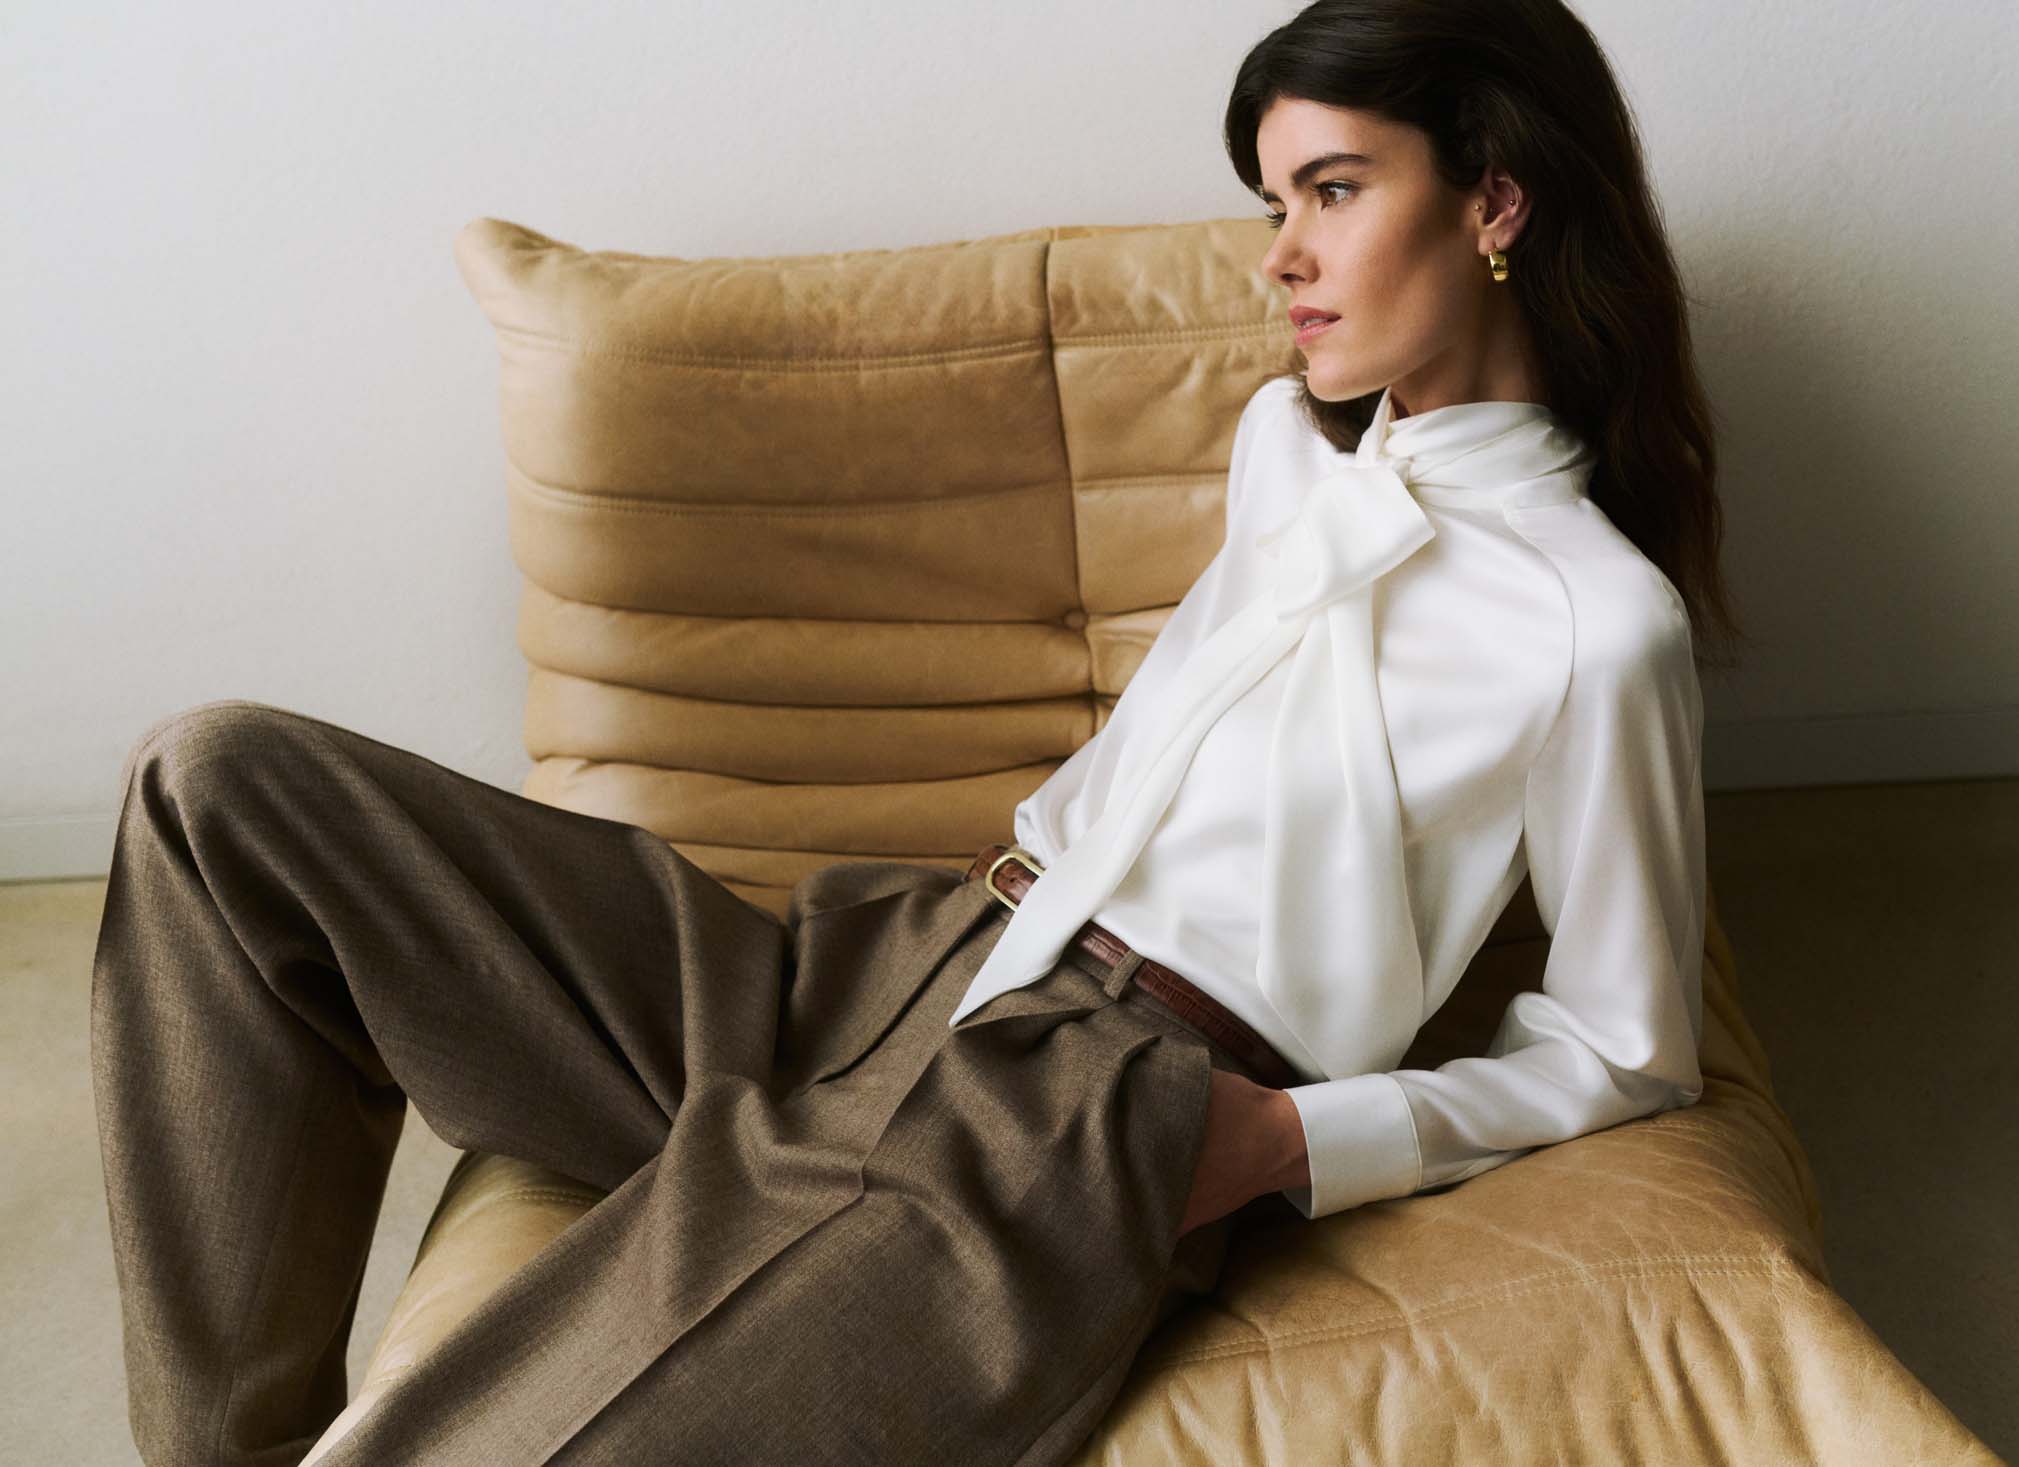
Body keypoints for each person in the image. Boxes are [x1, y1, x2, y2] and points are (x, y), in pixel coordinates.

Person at [90, 1, 1747, 1462]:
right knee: (214, 792)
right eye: (1274, 205)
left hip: (1072, 1118)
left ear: (1496, 202)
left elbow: (1628, 1051)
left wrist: (1281, 1145)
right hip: (883, 954)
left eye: (1332, 191)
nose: (1280, 259)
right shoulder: (1282, 446)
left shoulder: (1598, 623)